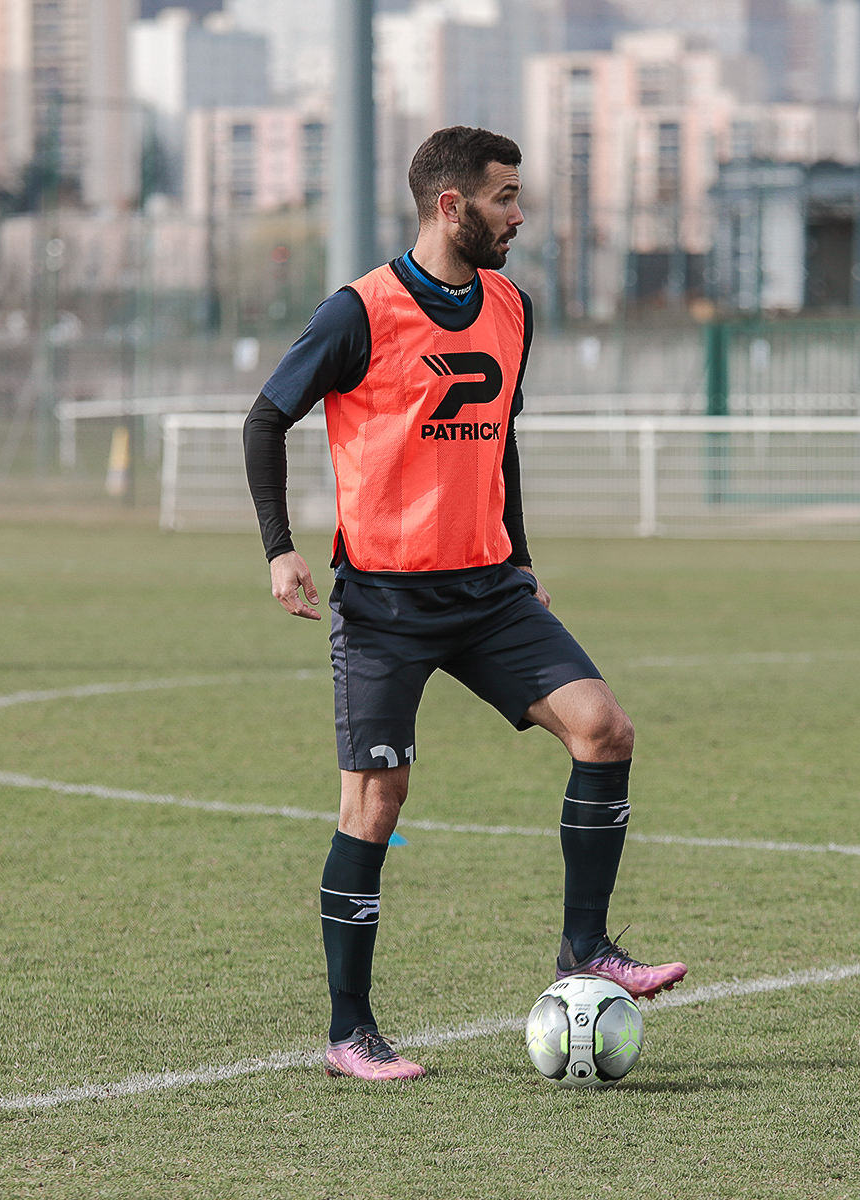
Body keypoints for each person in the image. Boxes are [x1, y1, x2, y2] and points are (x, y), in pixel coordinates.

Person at [242, 126, 686, 1082]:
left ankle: (585, 948)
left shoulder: (512, 307)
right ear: (453, 206)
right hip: (387, 605)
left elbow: (500, 444)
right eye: (505, 198)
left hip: (489, 592)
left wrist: (521, 559)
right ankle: (349, 1032)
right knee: (375, 802)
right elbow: (267, 416)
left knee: (604, 730)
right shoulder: (358, 311)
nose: (519, 216)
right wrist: (281, 551)